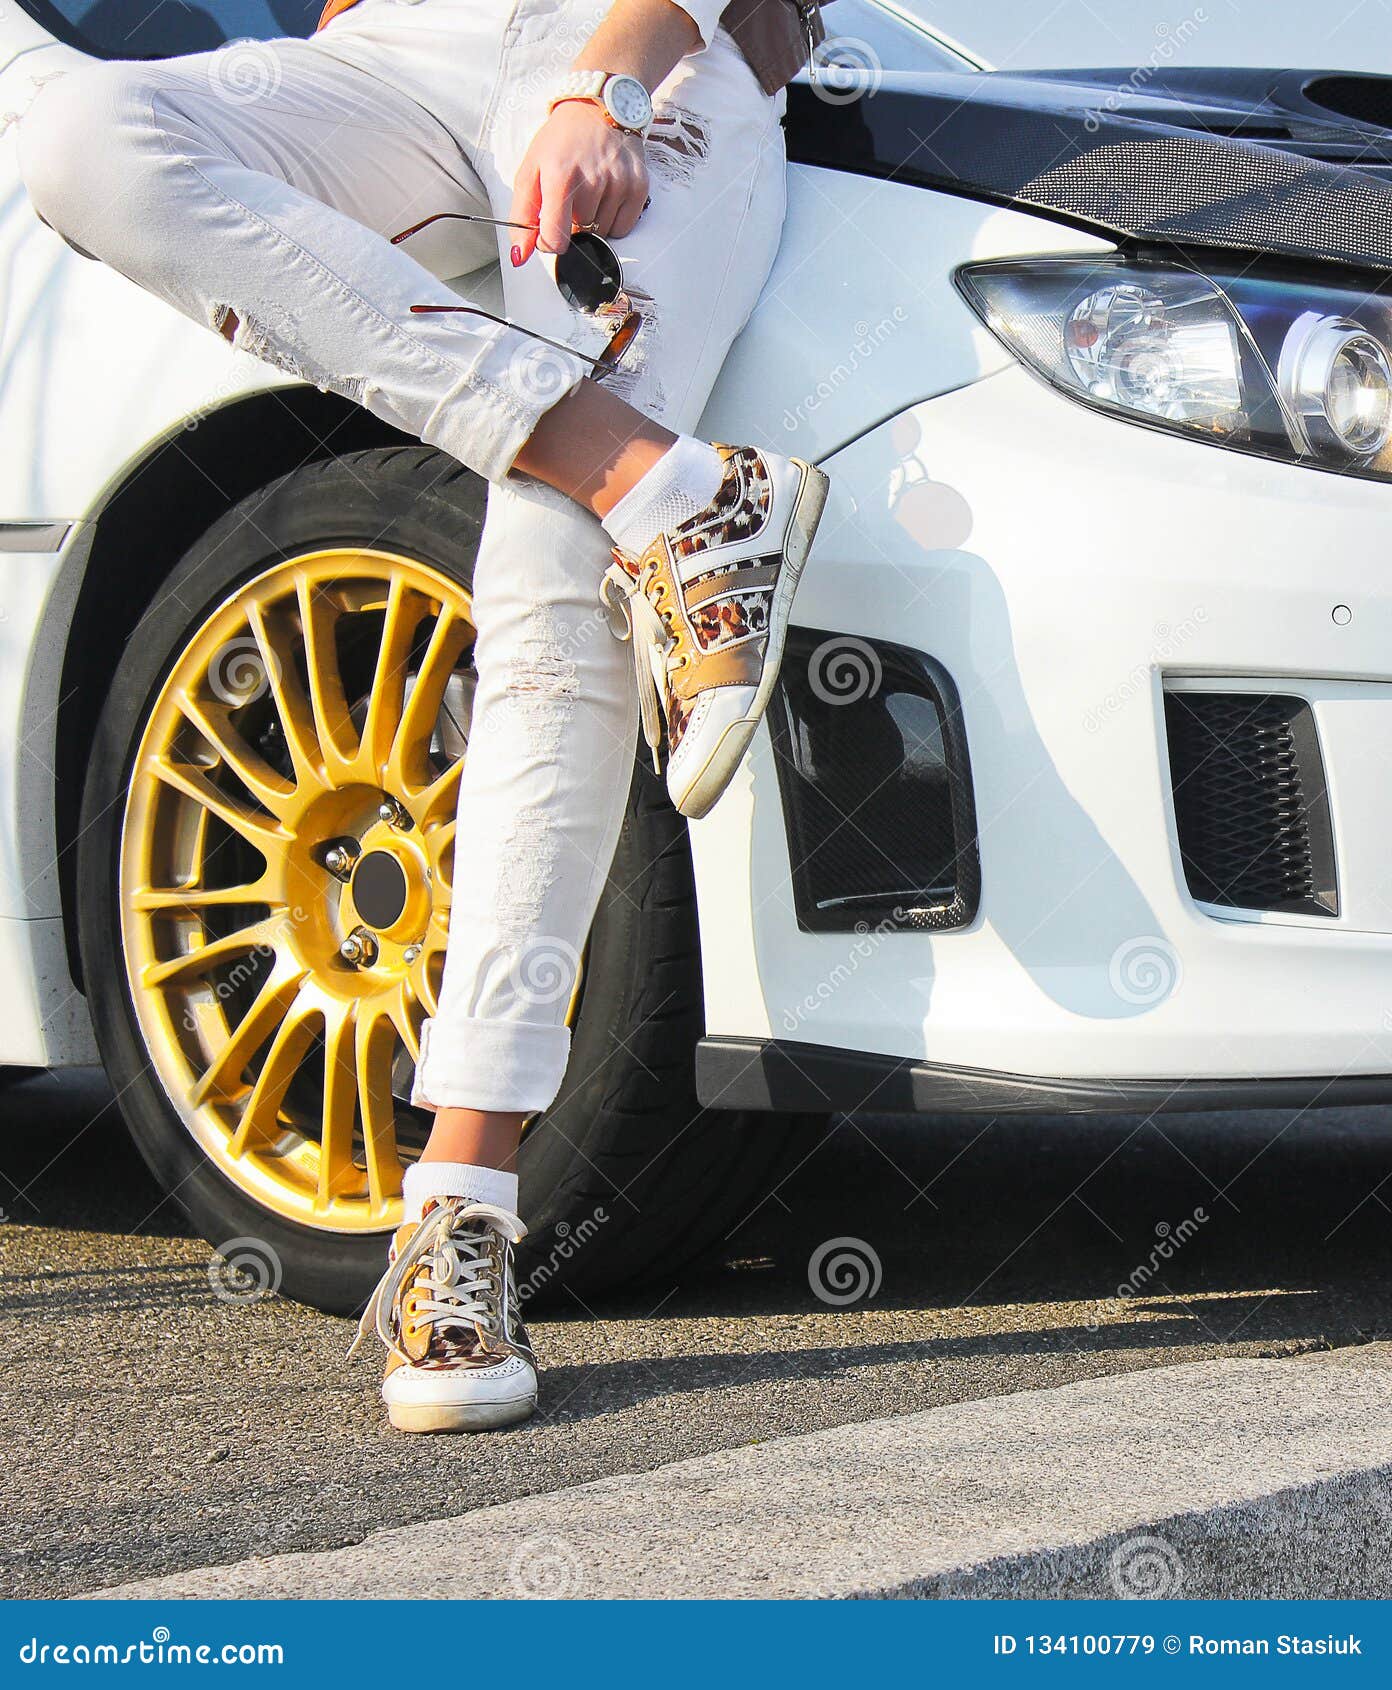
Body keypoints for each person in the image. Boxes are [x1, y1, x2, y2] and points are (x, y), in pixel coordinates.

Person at [16, 0, 829, 1433]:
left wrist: (609, 90)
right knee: (86, 138)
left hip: (653, 60)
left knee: (543, 566)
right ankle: (661, 481)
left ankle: (458, 1209)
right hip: (390, 59)